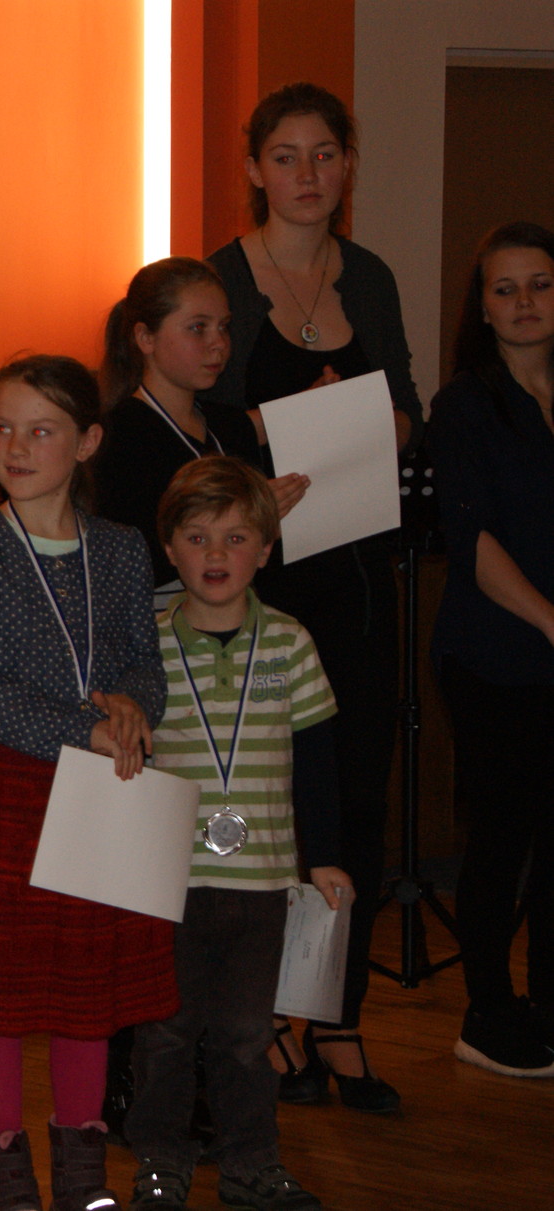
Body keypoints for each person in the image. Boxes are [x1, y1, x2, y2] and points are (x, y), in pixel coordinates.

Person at [0, 353, 172, 1211]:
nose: (16, 447)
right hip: (10, 791)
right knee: (0, 996)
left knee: (86, 990)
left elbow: (145, 660)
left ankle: (84, 1176)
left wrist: (132, 706)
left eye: (41, 430)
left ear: (87, 442)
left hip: (103, 792)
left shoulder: (120, 549)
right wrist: (79, 728)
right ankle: (5, 1177)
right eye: (2, 429)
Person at [203, 81, 418, 1112]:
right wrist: (279, 433)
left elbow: (407, 411)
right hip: (259, 582)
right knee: (273, 805)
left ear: (347, 163)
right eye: (284, 156)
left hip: (357, 575)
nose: (306, 174)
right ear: (254, 169)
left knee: (358, 799)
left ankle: (336, 1016)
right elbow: (197, 431)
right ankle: (267, 1022)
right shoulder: (219, 279)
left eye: (324, 154)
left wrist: (363, 425)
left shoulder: (367, 277)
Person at [127, 456, 350, 1211]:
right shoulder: (147, 647)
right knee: (164, 1033)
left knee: (249, 1035)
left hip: (262, 880)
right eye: (197, 538)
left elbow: (316, 758)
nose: (216, 554)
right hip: (170, 882)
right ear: (170, 549)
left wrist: (324, 857)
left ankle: (251, 1161)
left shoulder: (289, 641)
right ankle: (160, 1159)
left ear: (266, 548)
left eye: (235, 537)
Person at [428, 221, 554, 1078]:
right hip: (493, 653)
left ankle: (547, 1004)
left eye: (540, 283)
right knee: (504, 833)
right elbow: (469, 539)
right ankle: (486, 1011)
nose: (523, 302)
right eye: (504, 288)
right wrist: (549, 619)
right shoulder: (465, 405)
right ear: (482, 306)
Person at [95, 256, 287, 609]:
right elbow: (130, 560)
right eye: (198, 328)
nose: (218, 343)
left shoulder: (231, 427)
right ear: (145, 337)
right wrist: (249, 516)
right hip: (160, 627)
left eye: (224, 327)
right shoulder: (118, 436)